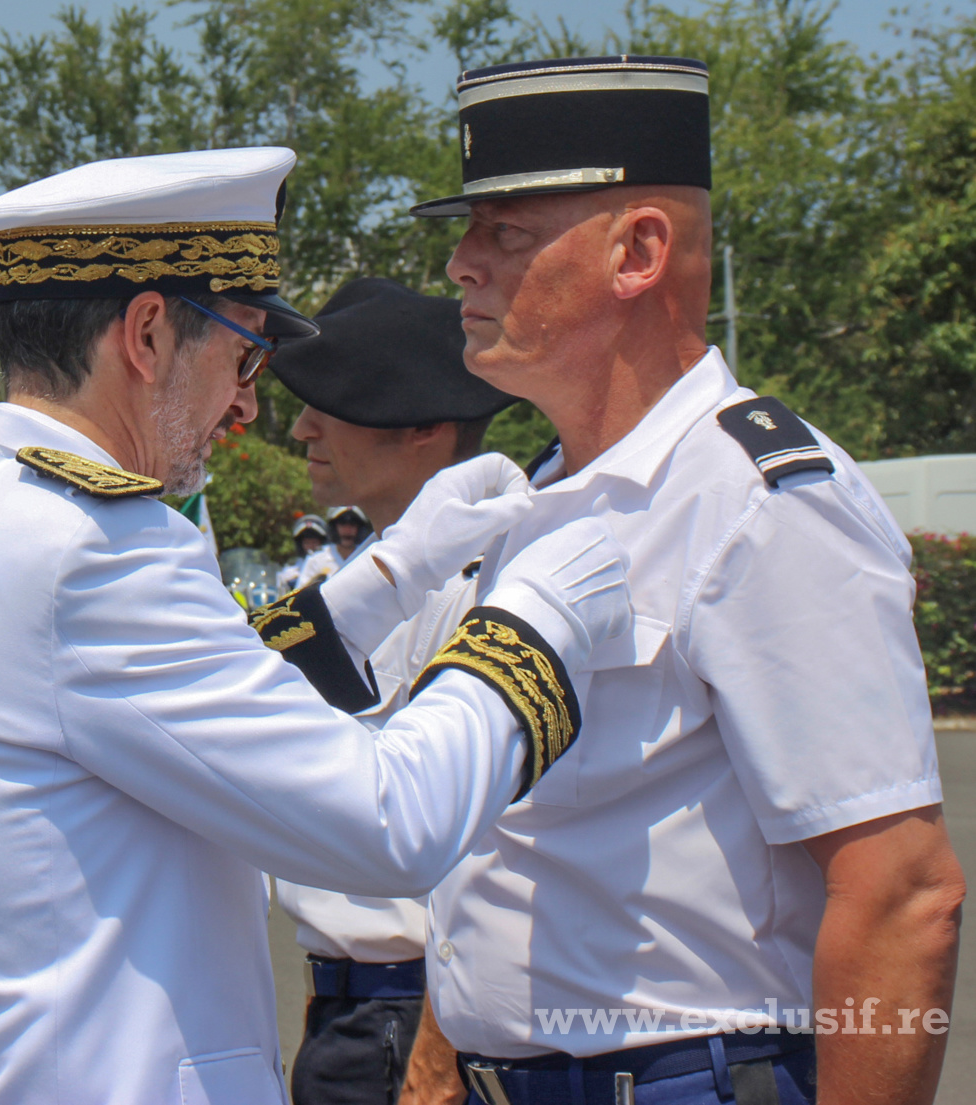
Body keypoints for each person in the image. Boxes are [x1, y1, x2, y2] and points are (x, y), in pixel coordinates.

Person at [0, 147, 634, 1105]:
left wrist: (391, 575)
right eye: (243, 354)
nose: (248, 403)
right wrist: (538, 618)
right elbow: (387, 825)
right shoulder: (95, 547)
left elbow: (140, 712)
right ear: (149, 334)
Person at [389, 55, 966, 1105]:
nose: (462, 266)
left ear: (638, 252)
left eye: (504, 234)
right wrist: (440, 1051)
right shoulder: (545, 497)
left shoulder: (758, 501)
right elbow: (517, 844)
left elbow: (900, 891)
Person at [270, 277, 515, 1105]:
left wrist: (437, 1059)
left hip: (413, 1020)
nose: (303, 426)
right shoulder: (371, 576)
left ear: (425, 429)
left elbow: (494, 852)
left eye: (333, 403)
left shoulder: (480, 593)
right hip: (350, 1012)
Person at [301, 505, 370, 584]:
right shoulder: (316, 559)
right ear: (333, 527)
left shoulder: (368, 556)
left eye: (353, 524)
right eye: (342, 523)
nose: (347, 530)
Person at [277, 513, 329, 594]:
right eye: (307, 543)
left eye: (314, 542)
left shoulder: (330, 564)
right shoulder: (290, 570)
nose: (311, 546)